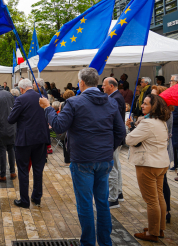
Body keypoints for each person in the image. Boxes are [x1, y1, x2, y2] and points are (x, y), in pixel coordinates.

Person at [39, 67, 126, 246]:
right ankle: (104, 241)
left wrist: (48, 108)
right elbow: (121, 132)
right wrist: (108, 149)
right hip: (103, 159)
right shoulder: (110, 103)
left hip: (83, 160)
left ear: (82, 83)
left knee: (85, 203)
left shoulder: (75, 102)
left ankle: (88, 242)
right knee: (102, 202)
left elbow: (58, 126)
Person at [126, 94, 170, 242]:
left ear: (154, 106)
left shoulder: (148, 123)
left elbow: (129, 139)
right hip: (161, 163)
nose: (142, 106)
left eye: (146, 104)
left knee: (151, 200)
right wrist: (134, 127)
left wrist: (131, 129)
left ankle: (152, 233)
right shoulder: (161, 121)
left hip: (148, 165)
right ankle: (159, 228)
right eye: (143, 103)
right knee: (159, 197)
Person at [8, 78, 50, 208]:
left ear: (21, 89)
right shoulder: (42, 97)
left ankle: (24, 200)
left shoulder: (21, 99)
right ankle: (36, 197)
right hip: (41, 138)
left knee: (23, 170)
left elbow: (11, 119)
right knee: (38, 169)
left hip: (25, 140)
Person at [102, 77, 126, 209]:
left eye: (104, 85)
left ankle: (113, 198)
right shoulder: (117, 96)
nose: (102, 87)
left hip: (114, 138)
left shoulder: (115, 98)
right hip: (116, 137)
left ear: (111, 86)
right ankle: (119, 193)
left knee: (113, 168)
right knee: (117, 166)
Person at [151, 85, 173, 223]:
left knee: (162, 183)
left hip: (162, 152)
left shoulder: (165, 115)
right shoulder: (159, 113)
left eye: (153, 96)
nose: (150, 98)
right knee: (160, 183)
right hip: (158, 153)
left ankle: (166, 211)